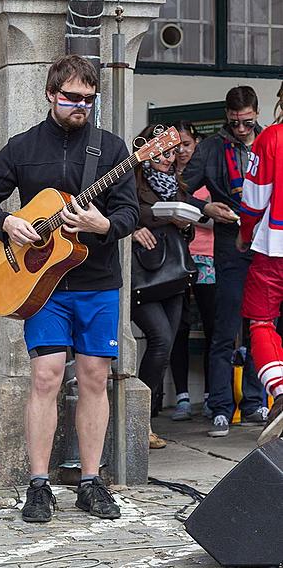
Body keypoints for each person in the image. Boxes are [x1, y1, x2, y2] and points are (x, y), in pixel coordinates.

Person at [0, 55, 139, 523]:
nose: (80, 105)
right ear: (50, 94)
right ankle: (39, 484)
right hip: (43, 285)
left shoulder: (112, 147)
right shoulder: (23, 147)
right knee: (44, 377)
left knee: (94, 379)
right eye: (71, 98)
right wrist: (6, 223)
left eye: (88, 98)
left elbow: (129, 213)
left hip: (97, 282)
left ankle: (90, 480)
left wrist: (104, 224)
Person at [184, 86, 269, 437]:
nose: (241, 129)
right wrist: (206, 207)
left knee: (261, 325)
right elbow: (181, 187)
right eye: (235, 122)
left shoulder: (269, 141)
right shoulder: (210, 147)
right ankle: (220, 405)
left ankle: (254, 402)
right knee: (225, 326)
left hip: (266, 241)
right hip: (229, 240)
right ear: (227, 116)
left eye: (247, 122)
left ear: (256, 113)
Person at [130, 125, 192, 449]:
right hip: (144, 276)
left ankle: (146, 419)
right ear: (148, 153)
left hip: (173, 274)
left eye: (173, 152)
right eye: (164, 153)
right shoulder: (132, 182)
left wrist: (184, 221)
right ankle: (137, 420)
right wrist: (138, 226)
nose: (169, 158)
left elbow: (186, 227)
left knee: (164, 347)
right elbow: (122, 214)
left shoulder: (176, 185)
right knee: (160, 338)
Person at [238, 89, 283, 446]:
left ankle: (280, 394)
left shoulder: (271, 138)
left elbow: (253, 201)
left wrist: (245, 233)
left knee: (262, 321)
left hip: (275, 247)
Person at [168, 122, 215, 421]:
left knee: (213, 325)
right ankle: (182, 396)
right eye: (176, 146)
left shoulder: (208, 176)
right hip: (177, 258)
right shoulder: (167, 179)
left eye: (186, 144)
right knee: (178, 327)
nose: (181, 151)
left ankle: (212, 394)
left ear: (197, 143)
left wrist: (188, 212)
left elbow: (215, 218)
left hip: (208, 258)